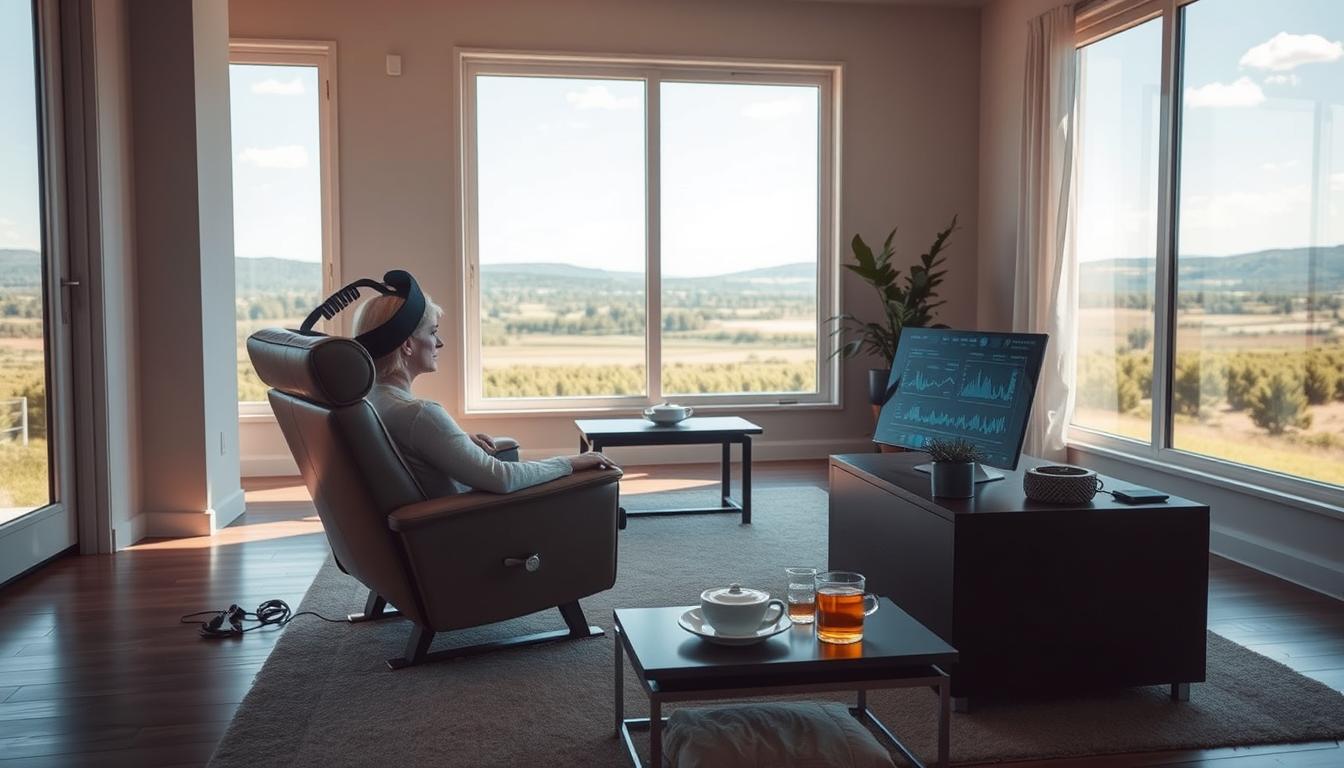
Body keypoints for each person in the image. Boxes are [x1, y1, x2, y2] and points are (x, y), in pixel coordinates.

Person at [350, 289, 612, 496]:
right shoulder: (419, 414)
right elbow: (502, 477)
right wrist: (570, 463)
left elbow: (414, 451)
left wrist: (453, 442)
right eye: (433, 332)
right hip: (466, 525)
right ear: (407, 345)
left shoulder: (369, 399)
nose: (440, 342)